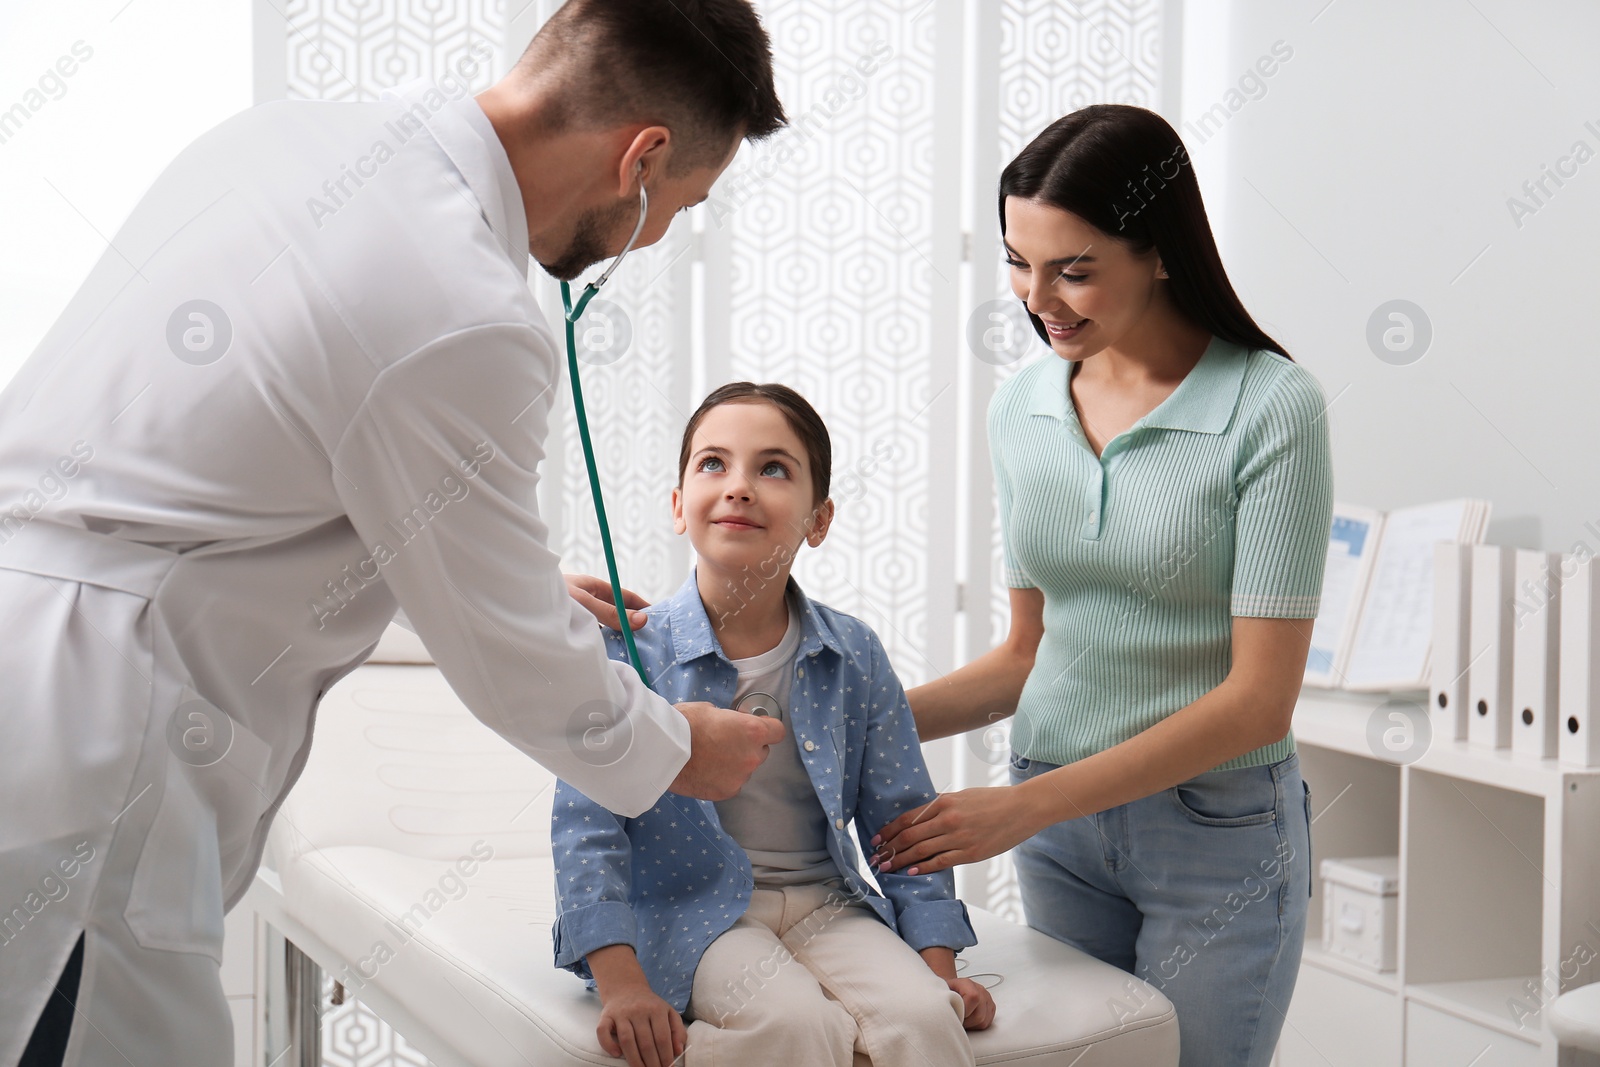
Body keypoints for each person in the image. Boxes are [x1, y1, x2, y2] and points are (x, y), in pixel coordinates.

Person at [0, 3, 787, 1064]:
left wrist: (518, 582)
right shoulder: (464, 308)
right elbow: (513, 663)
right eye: (683, 202)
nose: (663, 233)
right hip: (93, 733)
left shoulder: (279, 138)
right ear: (639, 159)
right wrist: (679, 746)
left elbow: (229, 463)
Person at [867, 106, 1334, 1067]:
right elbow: (1026, 654)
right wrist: (853, 718)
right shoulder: (1024, 407)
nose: (1038, 300)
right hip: (1061, 830)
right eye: (1016, 262)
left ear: (1160, 252)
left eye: (1073, 269)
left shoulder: (1271, 408)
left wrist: (1028, 808)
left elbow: (1259, 700)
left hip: (1218, 832)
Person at [551, 383, 994, 1067]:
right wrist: (623, 985)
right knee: (795, 1027)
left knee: (923, 1017)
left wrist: (938, 968)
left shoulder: (854, 653)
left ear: (819, 519)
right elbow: (587, 833)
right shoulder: (628, 656)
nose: (739, 487)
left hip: (827, 901)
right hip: (695, 912)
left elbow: (903, 826)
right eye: (713, 464)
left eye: (773, 468)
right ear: (676, 507)